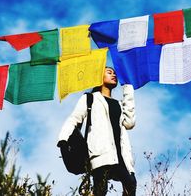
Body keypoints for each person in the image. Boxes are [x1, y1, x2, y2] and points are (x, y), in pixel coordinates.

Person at [57, 67, 137, 196]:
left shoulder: (118, 104)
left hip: (121, 157)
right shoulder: (90, 98)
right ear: (99, 77)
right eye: (109, 72)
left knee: (131, 184)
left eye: (115, 73)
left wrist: (128, 90)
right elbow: (74, 119)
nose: (114, 75)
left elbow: (129, 123)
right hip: (99, 153)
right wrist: (63, 139)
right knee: (100, 190)